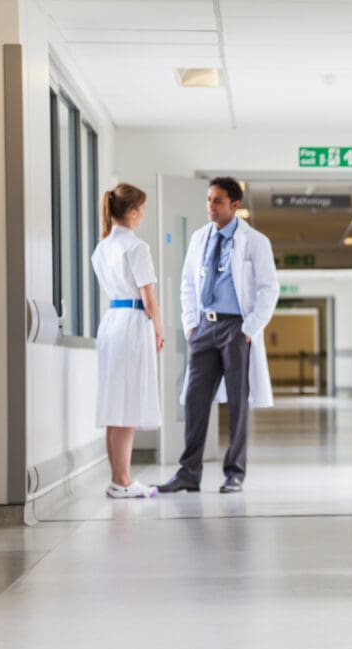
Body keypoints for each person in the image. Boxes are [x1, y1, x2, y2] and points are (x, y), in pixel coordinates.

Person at [157, 177, 279, 494]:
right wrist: (190, 325)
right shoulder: (200, 238)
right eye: (209, 199)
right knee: (196, 400)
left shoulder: (255, 241)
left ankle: (234, 472)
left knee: (238, 402)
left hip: (236, 327)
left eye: (218, 201)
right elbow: (187, 283)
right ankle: (188, 472)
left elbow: (269, 289)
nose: (211, 206)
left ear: (235, 205)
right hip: (204, 327)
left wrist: (250, 328)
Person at [91, 183, 162, 498]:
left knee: (114, 401)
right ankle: (122, 480)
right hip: (133, 322)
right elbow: (149, 298)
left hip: (112, 322)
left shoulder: (102, 247)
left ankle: (118, 477)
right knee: (128, 401)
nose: (143, 215)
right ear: (132, 211)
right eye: (142, 209)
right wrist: (159, 329)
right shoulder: (136, 247)